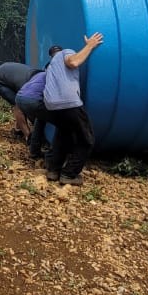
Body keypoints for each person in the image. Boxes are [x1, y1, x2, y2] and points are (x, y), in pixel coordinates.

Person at [43, 32, 104, 186]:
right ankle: (69, 174)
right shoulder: (66, 52)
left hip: (51, 105)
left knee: (63, 134)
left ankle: (53, 170)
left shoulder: (50, 66)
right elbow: (73, 62)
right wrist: (90, 45)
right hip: (69, 102)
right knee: (87, 139)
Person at [0, 62, 40, 138]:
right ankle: (28, 136)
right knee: (18, 104)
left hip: (11, 74)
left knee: (23, 103)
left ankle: (18, 130)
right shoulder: (27, 86)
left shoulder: (39, 78)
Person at [14, 68, 50, 161]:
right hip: (32, 99)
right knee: (56, 121)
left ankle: (33, 148)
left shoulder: (39, 74)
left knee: (40, 118)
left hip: (19, 97)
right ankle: (49, 151)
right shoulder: (52, 76)